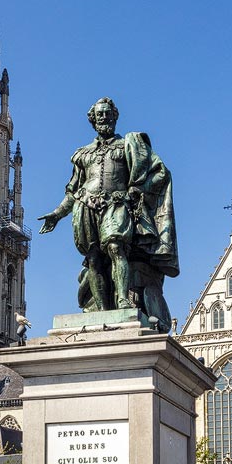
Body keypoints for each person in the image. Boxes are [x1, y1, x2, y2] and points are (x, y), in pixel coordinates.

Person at [38, 97, 178, 330]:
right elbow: (73, 190)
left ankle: (122, 299)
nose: (104, 118)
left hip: (117, 203)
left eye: (108, 114)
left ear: (115, 117)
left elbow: (161, 172)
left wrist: (138, 188)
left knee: (116, 248)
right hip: (85, 206)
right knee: (93, 259)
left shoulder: (128, 145)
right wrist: (57, 213)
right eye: (100, 114)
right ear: (93, 120)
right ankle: (101, 310)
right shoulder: (82, 153)